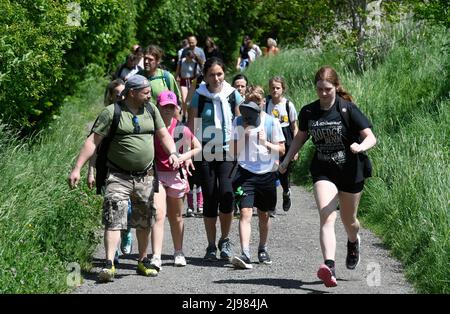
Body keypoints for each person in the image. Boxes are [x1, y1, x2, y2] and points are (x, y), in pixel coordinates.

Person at [68, 75, 180, 282]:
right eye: (146, 92)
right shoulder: (111, 113)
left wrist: (173, 152)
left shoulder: (151, 110)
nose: (149, 96)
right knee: (114, 218)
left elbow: (164, 135)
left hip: (145, 175)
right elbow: (92, 141)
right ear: (132, 93)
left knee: (143, 220)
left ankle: (142, 260)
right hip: (118, 175)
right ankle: (109, 264)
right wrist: (77, 168)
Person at [279, 66, 377, 287]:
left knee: (349, 221)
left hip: (351, 170)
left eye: (328, 89)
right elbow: (300, 138)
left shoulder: (347, 109)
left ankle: (353, 241)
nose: (323, 93)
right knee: (327, 215)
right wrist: (287, 159)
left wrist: (361, 147)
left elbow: (371, 137)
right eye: (320, 89)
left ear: (336, 87)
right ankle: (329, 266)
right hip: (324, 170)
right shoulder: (309, 112)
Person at [188, 57, 244, 261]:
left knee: (227, 195)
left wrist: (240, 150)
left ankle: (225, 239)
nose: (216, 78)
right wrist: (191, 153)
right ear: (205, 77)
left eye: (219, 73)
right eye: (211, 74)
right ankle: (211, 245)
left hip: (228, 151)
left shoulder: (232, 95)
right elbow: (191, 128)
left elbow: (240, 123)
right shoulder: (199, 97)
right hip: (205, 151)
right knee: (210, 197)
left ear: (224, 74)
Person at [230, 85, 285, 269]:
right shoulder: (238, 122)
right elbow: (232, 152)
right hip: (245, 173)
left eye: (257, 103)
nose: (253, 107)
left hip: (266, 174)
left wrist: (265, 142)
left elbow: (282, 149)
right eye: (249, 103)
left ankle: (262, 248)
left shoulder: (271, 122)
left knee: (263, 215)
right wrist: (244, 135)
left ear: (263, 103)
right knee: (245, 212)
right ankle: (245, 253)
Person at [151, 90, 202, 272]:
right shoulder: (152, 127)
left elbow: (198, 147)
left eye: (171, 107)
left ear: (176, 108)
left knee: (176, 216)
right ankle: (156, 256)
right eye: (164, 106)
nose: (167, 110)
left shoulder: (181, 128)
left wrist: (183, 157)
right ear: (158, 107)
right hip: (157, 174)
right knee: (158, 214)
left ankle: (178, 252)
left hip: (176, 175)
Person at [89, 79, 134, 264]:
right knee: (112, 209)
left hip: (129, 171)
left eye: (124, 92)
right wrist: (90, 171)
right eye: (117, 93)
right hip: (107, 169)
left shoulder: (133, 113)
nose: (120, 96)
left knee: (128, 210)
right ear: (111, 96)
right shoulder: (106, 115)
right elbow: (93, 146)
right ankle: (113, 252)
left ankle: (127, 231)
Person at [265, 76, 298, 215]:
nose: (275, 90)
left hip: (286, 140)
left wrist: (295, 149)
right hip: (270, 140)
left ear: (283, 89)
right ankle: (271, 206)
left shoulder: (288, 105)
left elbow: (294, 127)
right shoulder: (266, 104)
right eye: (272, 87)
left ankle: (286, 192)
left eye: (278, 88)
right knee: (271, 174)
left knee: (283, 173)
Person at [139, 45, 183, 119]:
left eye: (150, 59)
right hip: (142, 121)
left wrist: (176, 126)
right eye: (145, 58)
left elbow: (176, 103)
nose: (146, 62)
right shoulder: (137, 77)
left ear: (158, 61)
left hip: (163, 122)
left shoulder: (166, 77)